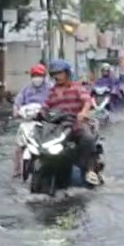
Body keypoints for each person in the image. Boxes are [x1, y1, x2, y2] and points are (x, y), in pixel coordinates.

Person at [41, 58, 101, 186]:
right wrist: (40, 113)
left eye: (60, 73)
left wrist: (83, 112)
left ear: (67, 73)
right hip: (58, 126)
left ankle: (89, 169)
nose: (57, 76)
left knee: (87, 138)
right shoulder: (52, 91)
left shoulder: (77, 88)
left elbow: (87, 101)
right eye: (54, 74)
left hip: (76, 123)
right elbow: (45, 106)